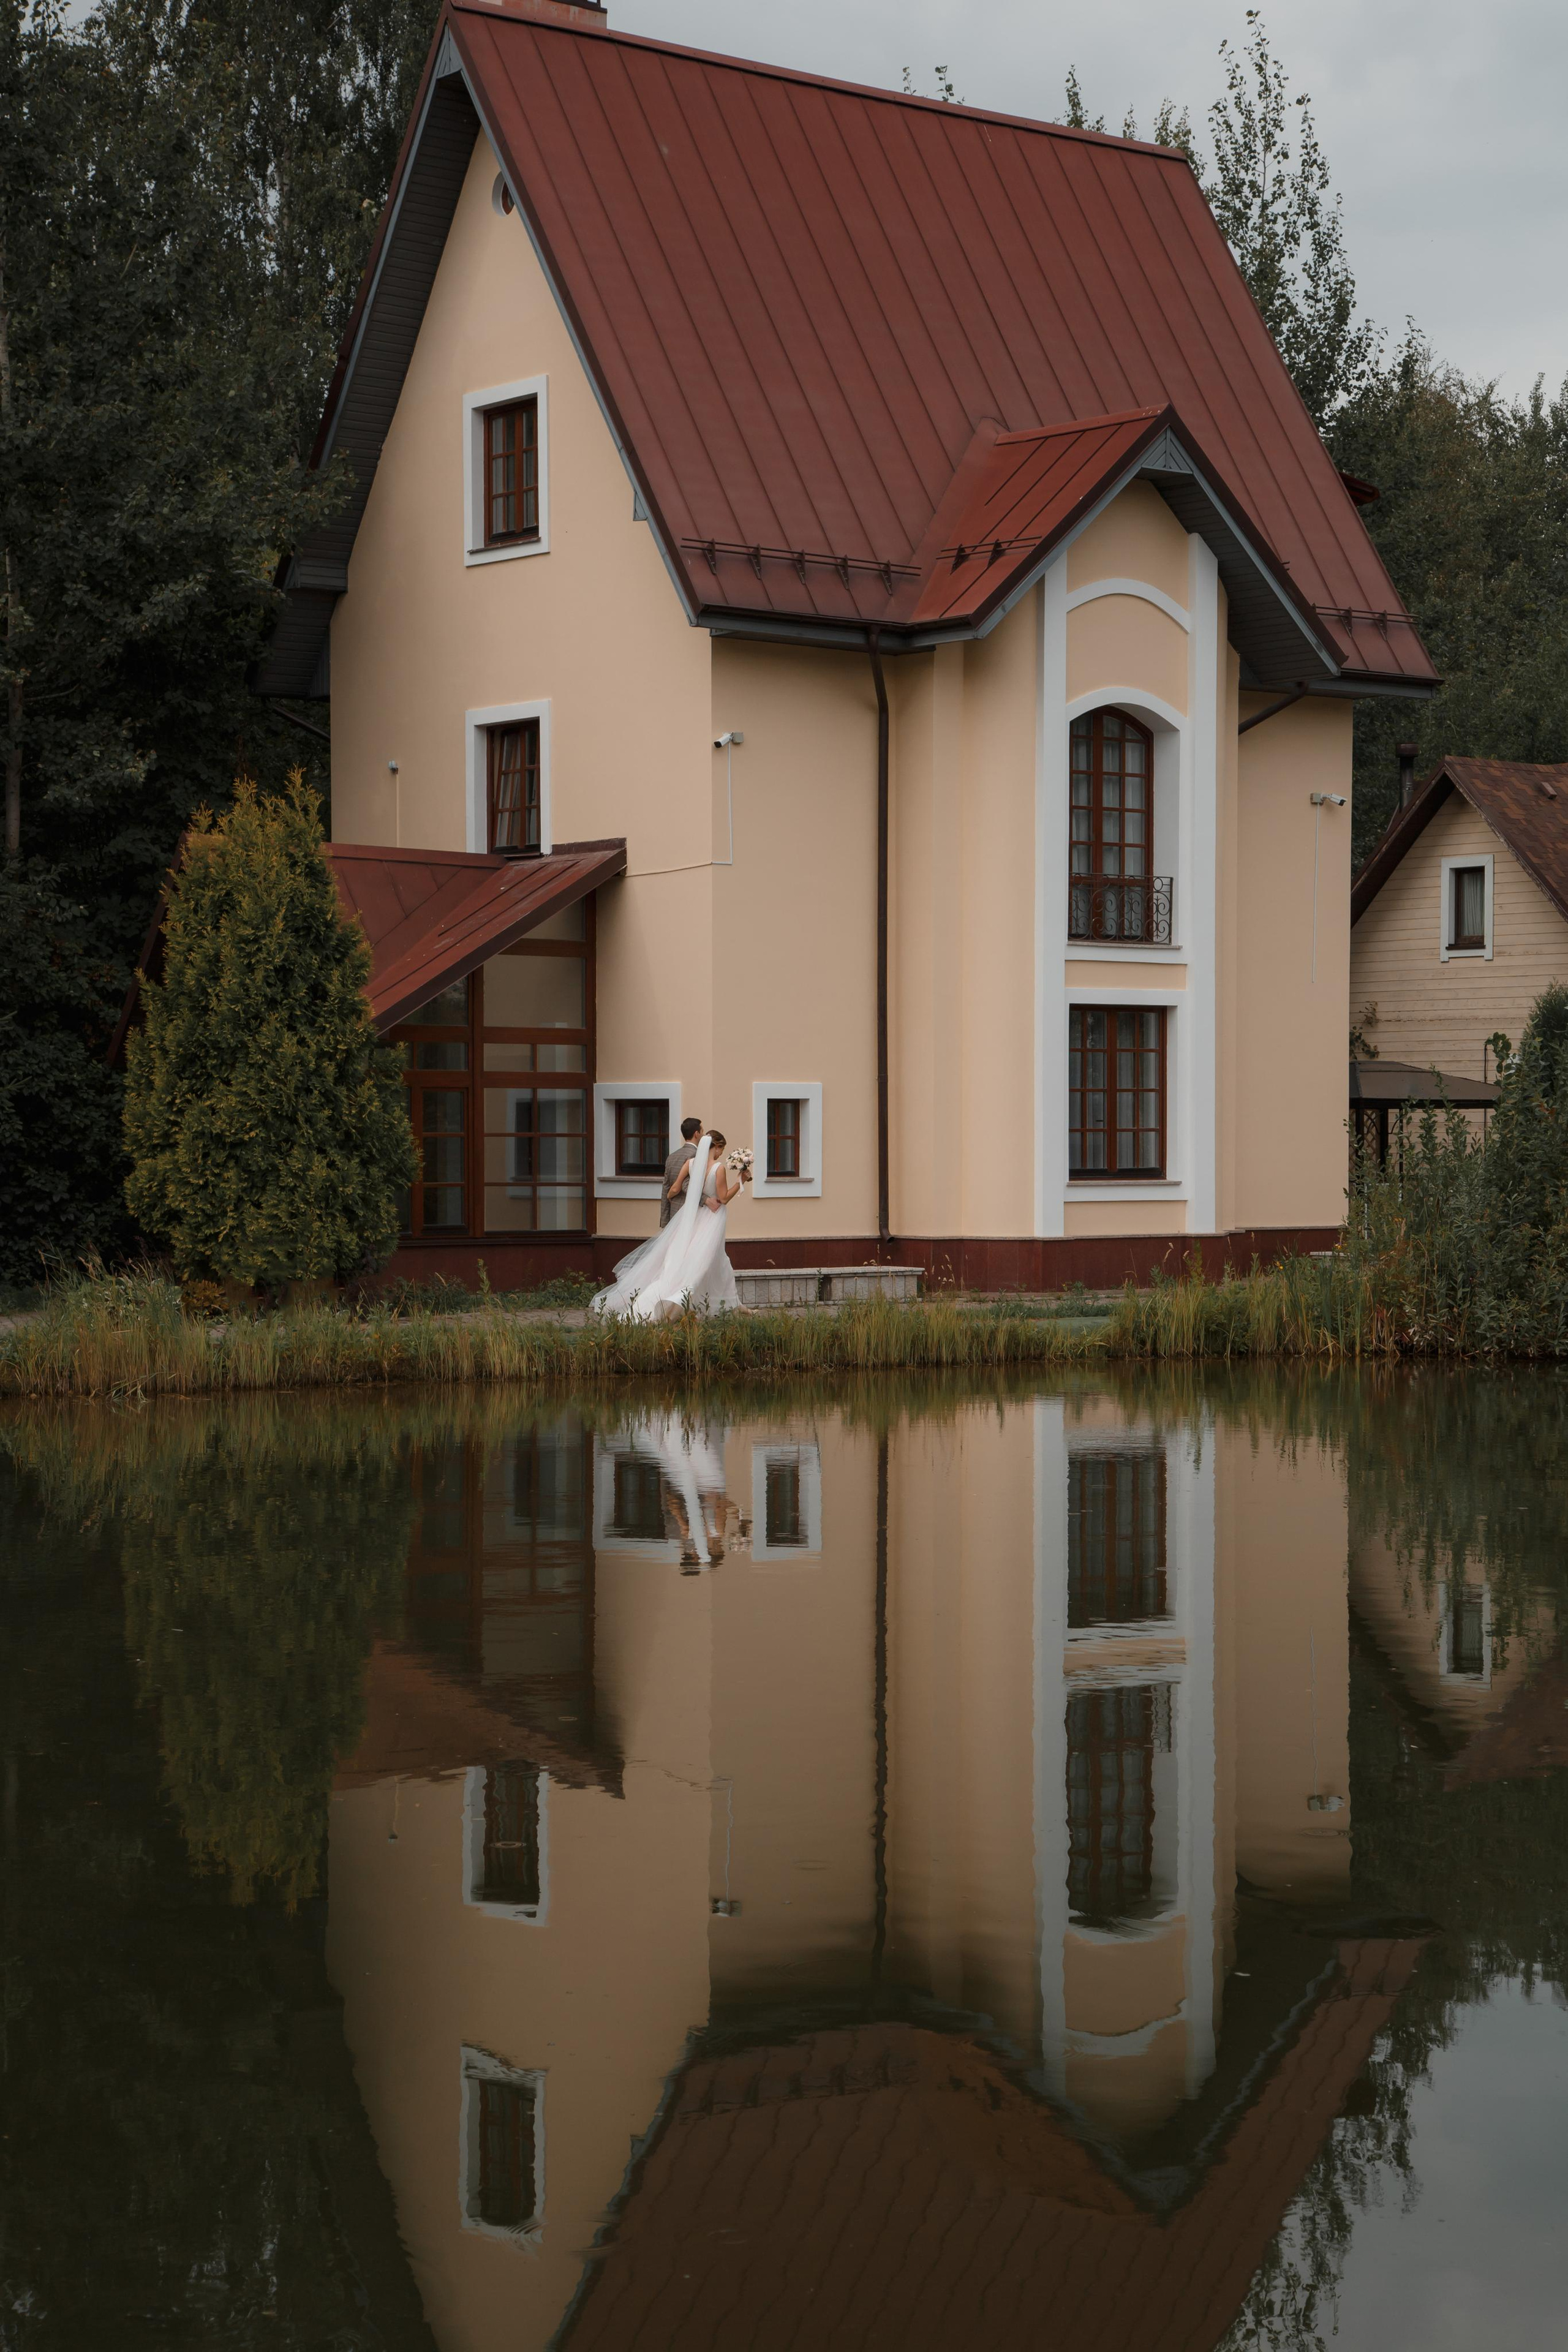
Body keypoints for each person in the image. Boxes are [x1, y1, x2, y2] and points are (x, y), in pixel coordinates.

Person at [589, 1129, 750, 1319]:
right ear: (715, 1146)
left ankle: (728, 1305)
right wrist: (742, 1181)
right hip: (711, 1219)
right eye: (721, 1149)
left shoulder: (691, 1164)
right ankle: (682, 1302)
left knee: (704, 1260)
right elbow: (723, 1199)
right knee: (706, 1262)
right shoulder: (719, 1168)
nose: (721, 1153)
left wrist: (673, 1197)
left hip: (693, 1216)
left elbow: (675, 1188)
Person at [661, 1115, 703, 1229]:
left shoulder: (671, 1157)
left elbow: (666, 1188)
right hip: (690, 1213)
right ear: (696, 1134)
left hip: (673, 1212)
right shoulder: (697, 1155)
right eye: (702, 1131)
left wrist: (665, 1220)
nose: (703, 1135)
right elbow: (688, 1186)